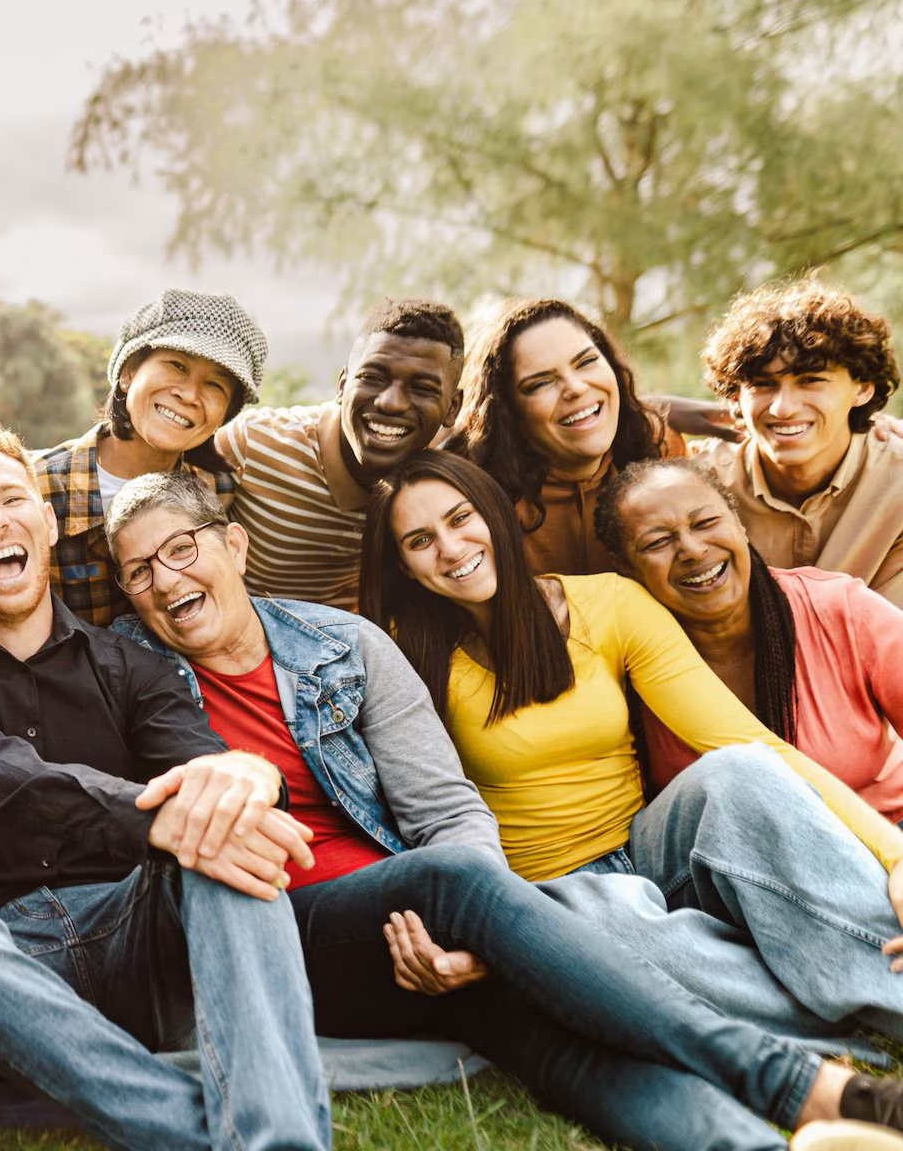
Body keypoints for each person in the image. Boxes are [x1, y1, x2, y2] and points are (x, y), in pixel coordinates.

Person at [102, 467, 903, 1150]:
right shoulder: (129, 677)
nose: (166, 581)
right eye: (139, 572)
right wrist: (473, 905)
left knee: (556, 1048)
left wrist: (471, 940)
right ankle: (797, 1081)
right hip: (286, 929)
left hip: (423, 919)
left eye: (182, 549)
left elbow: (445, 808)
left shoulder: (343, 644)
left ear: (234, 545)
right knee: (469, 886)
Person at [0, 416, 331, 1151]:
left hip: (133, 938)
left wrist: (238, 779)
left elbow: (201, 767)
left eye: (11, 500)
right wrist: (150, 819)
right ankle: (188, 1128)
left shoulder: (133, 667)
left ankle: (279, 1140)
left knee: (222, 835)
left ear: (47, 525)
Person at [360, 449, 903, 1039]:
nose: (451, 547)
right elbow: (413, 816)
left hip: (650, 851)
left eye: (461, 518)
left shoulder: (610, 604)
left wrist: (896, 857)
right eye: (419, 541)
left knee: (739, 770)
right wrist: (489, 933)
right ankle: (825, 1025)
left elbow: (745, 738)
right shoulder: (399, 656)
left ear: (492, 512)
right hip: (548, 893)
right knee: (620, 929)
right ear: (404, 568)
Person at [595, 456, 903, 820]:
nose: (693, 550)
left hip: (886, 842)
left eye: (706, 522)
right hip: (728, 869)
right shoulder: (619, 667)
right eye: (658, 541)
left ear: (739, 524)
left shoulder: (840, 609)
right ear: (626, 568)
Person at [214, 298, 463, 610]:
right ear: (343, 384)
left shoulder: (447, 490)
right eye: (373, 378)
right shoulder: (254, 445)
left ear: (452, 407)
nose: (391, 403)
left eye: (422, 387)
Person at [35, 289, 261, 626]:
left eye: (215, 385)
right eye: (176, 366)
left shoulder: (220, 490)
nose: (189, 394)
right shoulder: (38, 487)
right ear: (127, 373)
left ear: (225, 414)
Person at [692, 278, 903, 607]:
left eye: (811, 381)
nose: (783, 408)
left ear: (862, 388)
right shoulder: (699, 485)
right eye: (763, 384)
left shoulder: (896, 482)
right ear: (735, 395)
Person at [445, 298, 686, 576]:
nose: (576, 387)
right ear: (507, 409)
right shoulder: (470, 500)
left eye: (586, 361)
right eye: (541, 383)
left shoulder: (661, 447)